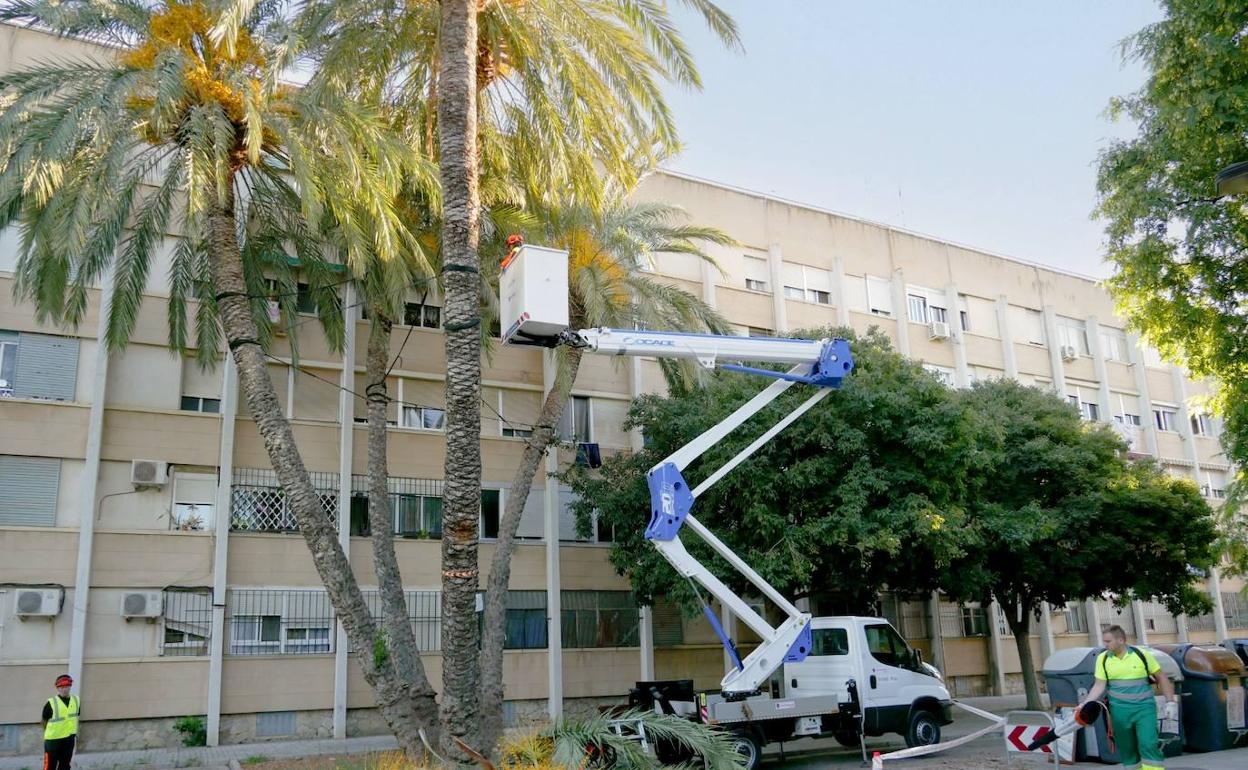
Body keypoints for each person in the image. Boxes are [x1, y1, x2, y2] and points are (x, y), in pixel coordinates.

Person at [1079, 625, 1177, 770]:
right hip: (1119, 712)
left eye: (1108, 641)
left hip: (1145, 710)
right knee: (1127, 750)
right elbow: (1099, 685)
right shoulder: (1103, 659)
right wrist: (1085, 703)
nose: (1105, 645)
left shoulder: (1141, 655)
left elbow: (1161, 677)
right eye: (1104, 641)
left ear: (1121, 640)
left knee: (1148, 744)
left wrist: (1170, 702)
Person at [41, 674, 79, 770]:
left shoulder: (76, 700)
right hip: (53, 741)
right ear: (57, 688)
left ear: (70, 686)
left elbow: (75, 716)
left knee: (65, 765)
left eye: (66, 686)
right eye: (61, 687)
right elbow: (44, 720)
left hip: (69, 740)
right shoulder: (51, 703)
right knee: (49, 767)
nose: (64, 689)